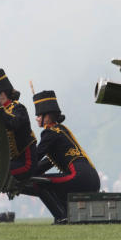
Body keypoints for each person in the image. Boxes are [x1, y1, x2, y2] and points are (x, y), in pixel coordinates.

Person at [28, 90, 102, 222]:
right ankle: (67, 216)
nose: (37, 118)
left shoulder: (49, 133)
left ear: (47, 116)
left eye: (39, 115)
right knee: (53, 182)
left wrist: (22, 168)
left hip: (78, 177)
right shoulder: (62, 129)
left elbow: (36, 157)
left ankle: (62, 217)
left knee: (38, 183)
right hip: (92, 178)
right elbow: (49, 161)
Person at [0, 68, 37, 180]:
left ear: (2, 94)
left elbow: (12, 123)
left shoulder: (18, 108)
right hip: (11, 162)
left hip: (25, 165)